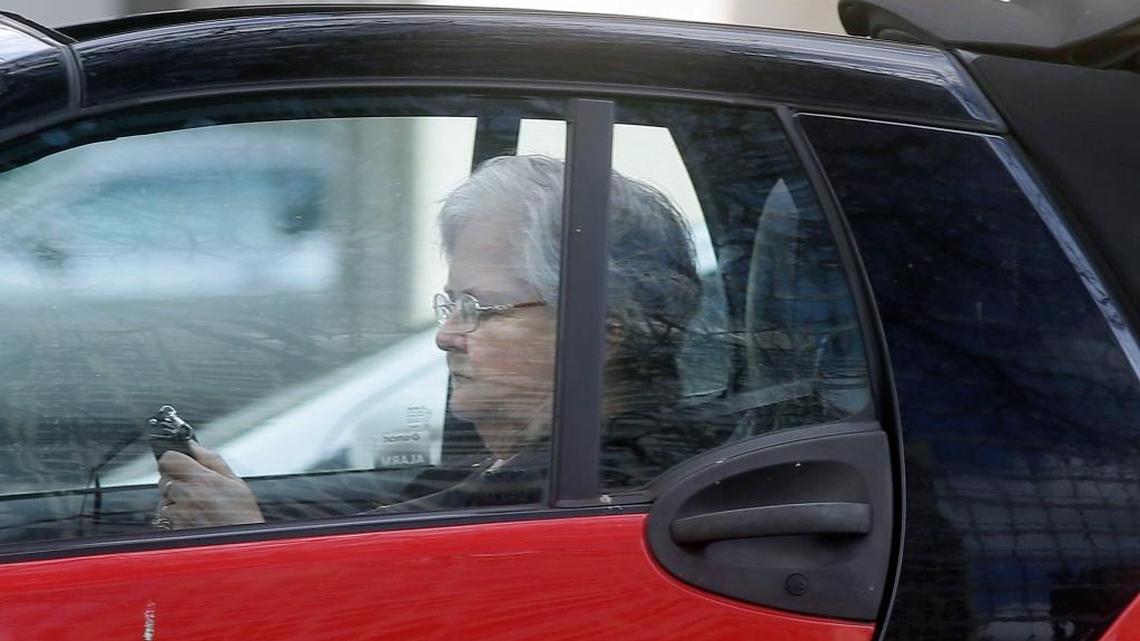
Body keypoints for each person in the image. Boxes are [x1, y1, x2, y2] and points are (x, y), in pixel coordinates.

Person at [154, 155, 700, 529]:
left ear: (597, 335)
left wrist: (248, 542)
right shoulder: (503, 469)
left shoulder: (583, 498)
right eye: (450, 306)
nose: (445, 337)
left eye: (480, 311)